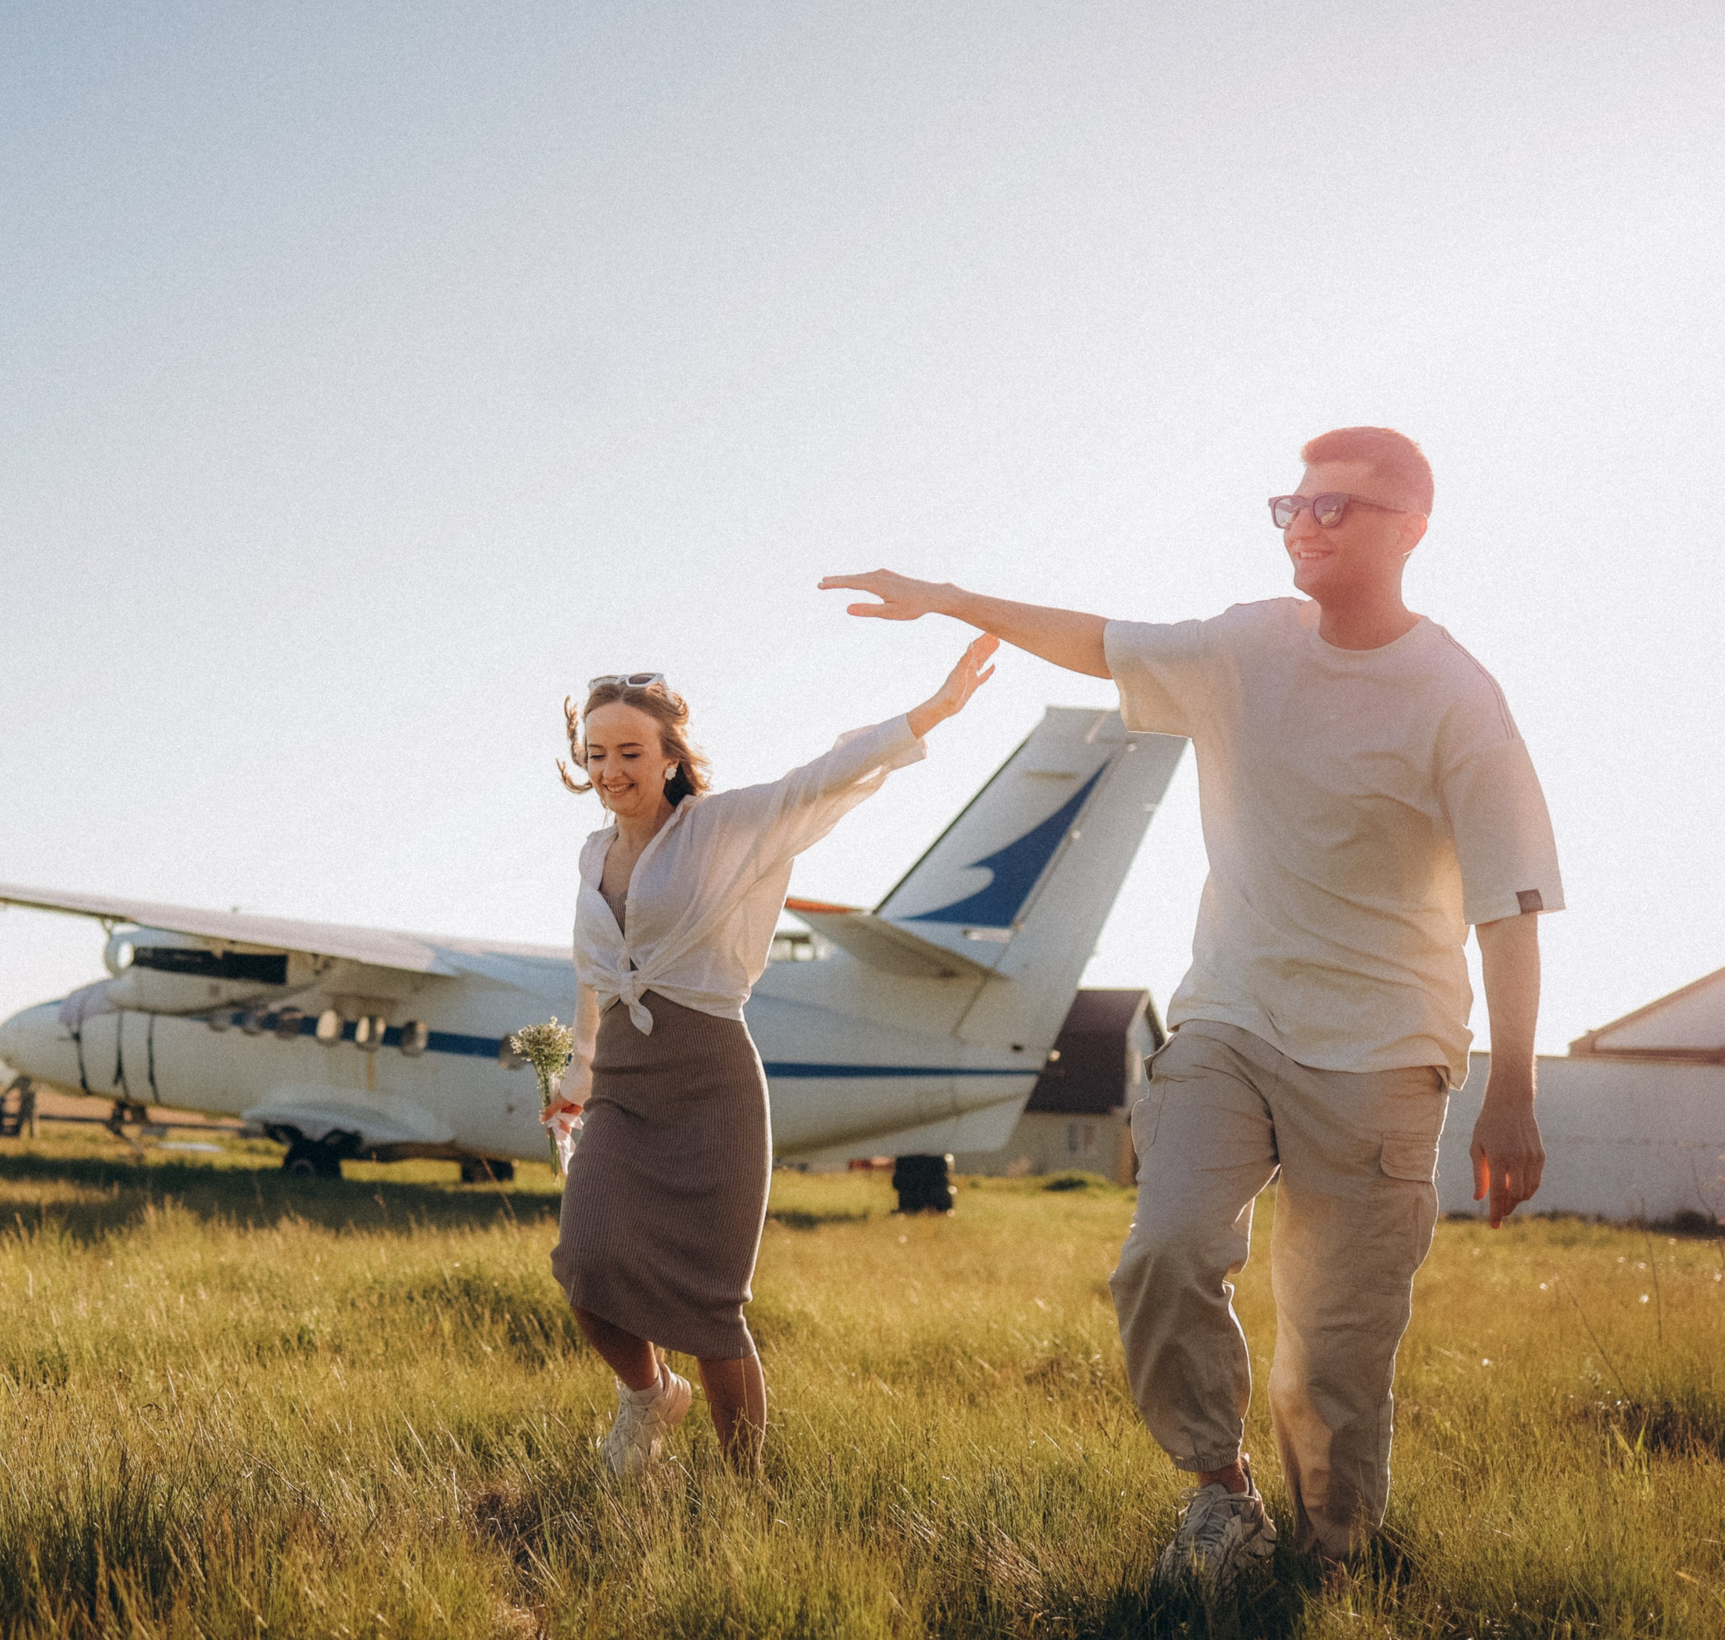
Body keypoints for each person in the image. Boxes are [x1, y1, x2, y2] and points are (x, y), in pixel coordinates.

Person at [819, 427, 1559, 1585]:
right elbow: (1098, 641)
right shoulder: (1245, 643)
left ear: (1411, 528)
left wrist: (1512, 1088)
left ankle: (1328, 1563)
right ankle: (1220, 1499)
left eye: (1338, 508)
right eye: (1293, 503)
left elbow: (1510, 905)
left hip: (1384, 1051)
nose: (1305, 523)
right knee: (1163, 1250)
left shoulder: (1453, 694)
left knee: (1331, 1351)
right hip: (1227, 1021)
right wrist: (947, 595)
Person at [547, 636, 1000, 1478]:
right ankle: (649, 1395)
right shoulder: (590, 854)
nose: (612, 769)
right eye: (598, 752)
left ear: (670, 756)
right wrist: (578, 1076)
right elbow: (593, 971)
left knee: (714, 1311)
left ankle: (746, 1496)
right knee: (584, 1260)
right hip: (623, 1092)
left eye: (631, 752)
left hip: (712, 1084)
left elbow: (817, 781)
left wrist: (929, 713)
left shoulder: (722, 828)